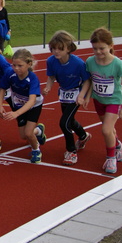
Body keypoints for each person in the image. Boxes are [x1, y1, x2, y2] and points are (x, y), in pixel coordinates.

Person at [78, 27, 122, 174]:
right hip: (99, 100)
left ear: (111, 46)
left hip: (114, 101)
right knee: (109, 129)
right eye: (95, 48)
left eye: (102, 48)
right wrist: (88, 96)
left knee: (106, 130)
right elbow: (90, 80)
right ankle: (117, 145)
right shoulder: (90, 61)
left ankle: (111, 158)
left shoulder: (118, 64)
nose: (98, 52)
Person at [42, 30, 92, 166]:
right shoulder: (51, 61)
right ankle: (83, 136)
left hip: (76, 93)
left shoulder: (78, 63)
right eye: (54, 49)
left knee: (64, 123)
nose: (56, 52)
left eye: (60, 49)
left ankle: (71, 151)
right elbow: (51, 76)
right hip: (64, 93)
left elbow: (87, 80)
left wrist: (82, 96)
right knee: (70, 121)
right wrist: (48, 87)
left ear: (68, 48)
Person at [0, 49, 47, 163]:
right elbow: (2, 89)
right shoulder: (10, 74)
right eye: (14, 65)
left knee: (28, 133)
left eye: (20, 65)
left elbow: (32, 101)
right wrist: (0, 105)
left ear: (29, 64)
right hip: (18, 104)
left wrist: (16, 113)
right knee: (23, 136)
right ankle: (39, 131)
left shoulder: (32, 78)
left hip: (33, 105)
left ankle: (36, 150)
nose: (16, 68)